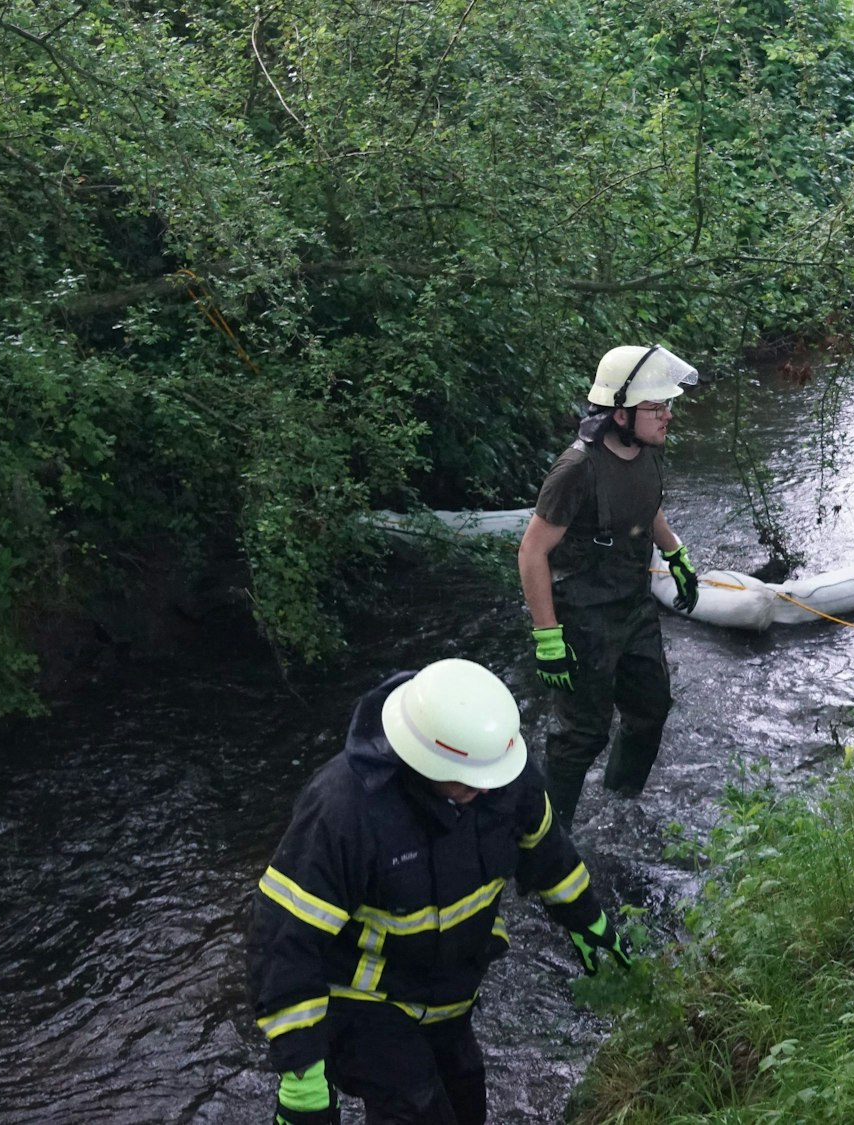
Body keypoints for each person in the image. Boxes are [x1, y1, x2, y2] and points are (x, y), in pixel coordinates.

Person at [248, 657, 633, 1125]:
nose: (484, 789)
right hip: (364, 1001)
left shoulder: (501, 777)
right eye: (467, 781)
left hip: (450, 993)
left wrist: (590, 922)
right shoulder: (345, 810)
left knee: (465, 1100)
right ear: (423, 758)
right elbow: (284, 939)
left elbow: (550, 855)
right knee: (416, 1108)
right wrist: (301, 1070)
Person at [516, 345, 701, 827]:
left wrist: (675, 552)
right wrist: (547, 636)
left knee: (651, 709)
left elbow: (644, 506)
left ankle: (621, 806)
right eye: (656, 408)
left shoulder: (644, 452)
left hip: (633, 608)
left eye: (668, 406)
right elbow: (532, 552)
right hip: (582, 618)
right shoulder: (576, 469)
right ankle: (547, 850)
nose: (668, 416)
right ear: (619, 413)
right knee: (582, 736)